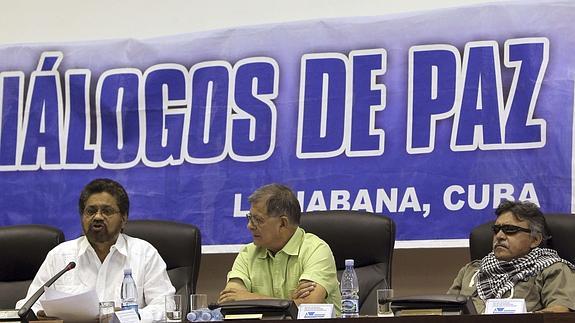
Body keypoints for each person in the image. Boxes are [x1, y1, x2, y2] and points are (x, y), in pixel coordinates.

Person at [16, 178, 175, 322]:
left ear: (124, 218)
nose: (98, 217)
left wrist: (125, 317)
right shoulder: (61, 257)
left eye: (107, 211)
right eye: (91, 211)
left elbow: (165, 306)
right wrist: (38, 315)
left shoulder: (144, 254)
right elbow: (28, 305)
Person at [218, 183, 342, 315]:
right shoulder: (248, 253)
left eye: (258, 220)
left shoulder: (316, 250)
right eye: (249, 218)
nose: (250, 226)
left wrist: (247, 296)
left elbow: (307, 308)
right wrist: (290, 302)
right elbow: (230, 300)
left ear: (283, 223)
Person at [448, 200, 575, 313]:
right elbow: (445, 310)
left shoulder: (553, 269)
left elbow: (560, 311)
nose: (500, 236)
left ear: (535, 240)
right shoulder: (471, 271)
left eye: (510, 230)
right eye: (496, 229)